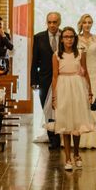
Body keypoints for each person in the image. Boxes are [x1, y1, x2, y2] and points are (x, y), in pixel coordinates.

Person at [49, 27, 96, 171]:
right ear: (61, 39)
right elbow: (55, 75)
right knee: (65, 124)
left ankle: (76, 154)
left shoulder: (80, 53)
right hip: (63, 87)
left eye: (71, 37)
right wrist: (54, 95)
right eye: (66, 37)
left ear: (74, 38)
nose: (69, 39)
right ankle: (68, 158)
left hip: (77, 87)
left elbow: (85, 72)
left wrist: (89, 91)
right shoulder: (57, 55)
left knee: (76, 124)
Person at [31, 11, 62, 149]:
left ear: (59, 22)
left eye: (55, 22)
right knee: (47, 109)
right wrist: (33, 80)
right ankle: (53, 139)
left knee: (61, 107)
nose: (52, 25)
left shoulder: (65, 36)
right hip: (44, 79)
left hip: (63, 78)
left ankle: (62, 135)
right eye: (49, 22)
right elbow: (34, 61)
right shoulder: (38, 37)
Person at [77, 14, 96, 149]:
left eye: (89, 22)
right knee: (82, 98)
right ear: (81, 24)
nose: (87, 25)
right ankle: (83, 128)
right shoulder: (76, 39)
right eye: (85, 22)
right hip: (82, 72)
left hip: (95, 72)